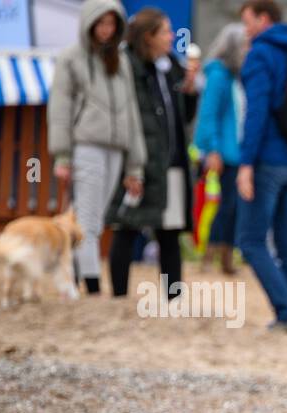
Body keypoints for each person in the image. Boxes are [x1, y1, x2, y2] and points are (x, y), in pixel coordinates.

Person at [47, 0, 146, 296]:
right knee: (86, 218)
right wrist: (62, 155)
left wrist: (135, 165)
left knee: (95, 217)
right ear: (89, 24)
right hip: (86, 145)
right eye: (101, 23)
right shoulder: (71, 58)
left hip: (115, 148)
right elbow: (60, 109)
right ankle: (89, 284)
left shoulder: (121, 61)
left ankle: (74, 277)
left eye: (111, 24)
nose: (106, 29)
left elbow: (132, 112)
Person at [235, 0, 287, 337]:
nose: (246, 30)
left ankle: (285, 312)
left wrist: (245, 165)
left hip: (268, 161)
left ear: (263, 18)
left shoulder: (260, 55)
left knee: (251, 240)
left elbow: (255, 114)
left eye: (248, 21)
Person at [105, 6, 199, 299]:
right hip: (139, 163)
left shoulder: (171, 65)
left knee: (169, 233)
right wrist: (130, 166)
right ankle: (119, 297)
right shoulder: (127, 66)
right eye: (166, 32)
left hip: (171, 163)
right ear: (149, 37)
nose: (172, 37)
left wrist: (191, 90)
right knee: (127, 227)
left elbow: (183, 118)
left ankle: (173, 298)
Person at [192, 22, 248, 275]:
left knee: (234, 207)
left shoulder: (234, 77)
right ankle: (211, 255)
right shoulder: (217, 75)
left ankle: (225, 255)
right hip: (223, 152)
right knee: (225, 206)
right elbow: (208, 115)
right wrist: (212, 149)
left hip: (235, 151)